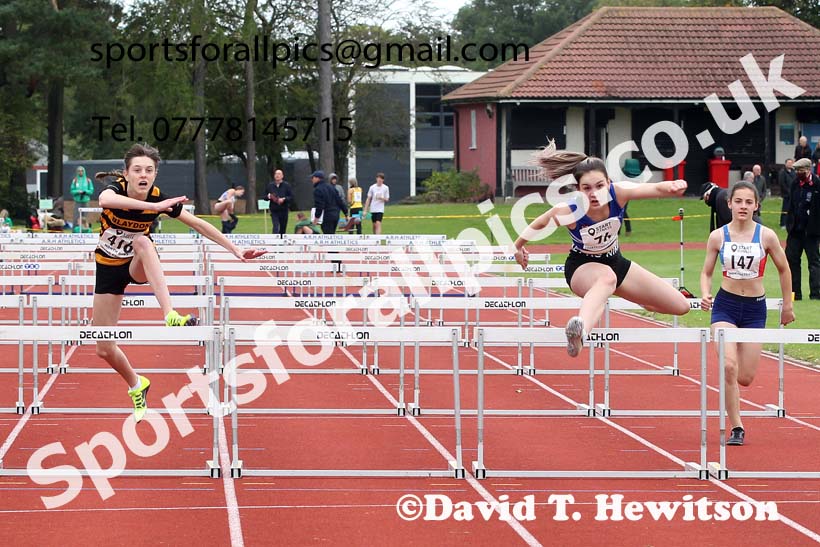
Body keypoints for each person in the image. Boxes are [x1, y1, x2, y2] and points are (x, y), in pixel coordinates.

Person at [93, 143, 265, 422]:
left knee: (142, 241)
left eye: (149, 170)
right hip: (108, 268)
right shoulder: (117, 191)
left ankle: (169, 313)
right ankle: (137, 384)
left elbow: (198, 224)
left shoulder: (160, 197)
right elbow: (104, 201)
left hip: (137, 264)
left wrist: (235, 250)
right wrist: (154, 207)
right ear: (126, 174)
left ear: (155, 174)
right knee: (103, 347)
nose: (143, 175)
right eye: (136, 170)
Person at [513, 142, 690, 357]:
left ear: (608, 183)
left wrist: (673, 185)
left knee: (680, 306)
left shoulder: (620, 193)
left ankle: (632, 298)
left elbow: (653, 188)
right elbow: (539, 223)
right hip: (582, 267)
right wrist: (518, 247)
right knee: (606, 278)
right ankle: (579, 334)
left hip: (615, 262)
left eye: (599, 186)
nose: (594, 194)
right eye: (586, 188)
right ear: (577, 190)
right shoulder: (570, 210)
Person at [700, 181, 795, 446]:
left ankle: (736, 403)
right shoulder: (718, 236)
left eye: (748, 202)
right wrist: (705, 292)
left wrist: (787, 305)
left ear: (756, 205)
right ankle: (737, 427)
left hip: (755, 309)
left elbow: (784, 269)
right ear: (729, 203)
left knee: (745, 377)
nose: (743, 206)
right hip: (725, 306)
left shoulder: (766, 236)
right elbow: (706, 272)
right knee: (729, 367)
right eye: (738, 201)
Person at [785, 157, 820, 300]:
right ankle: (795, 294)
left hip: (811, 232)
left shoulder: (817, 185)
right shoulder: (794, 184)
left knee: (814, 262)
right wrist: (789, 225)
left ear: (808, 170)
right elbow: (791, 206)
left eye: (800, 170)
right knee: (792, 261)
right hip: (795, 231)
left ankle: (816, 294)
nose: (798, 173)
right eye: (796, 170)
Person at [266, 169, 293, 235]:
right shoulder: (270, 185)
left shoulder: (287, 185)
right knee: (276, 226)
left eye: (279, 174)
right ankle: (275, 242)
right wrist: (268, 197)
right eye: (276, 174)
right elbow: (264, 196)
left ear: (282, 176)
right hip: (274, 210)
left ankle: (282, 243)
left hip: (284, 210)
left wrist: (284, 199)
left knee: (283, 228)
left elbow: (291, 197)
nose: (277, 175)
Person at [778, 158, 796, 228]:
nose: (790, 164)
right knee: (785, 209)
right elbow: (782, 183)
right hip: (786, 195)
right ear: (785, 164)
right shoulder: (782, 172)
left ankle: (791, 222)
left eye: (791, 163)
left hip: (794, 194)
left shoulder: (794, 172)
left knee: (793, 209)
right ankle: (783, 223)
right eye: (788, 163)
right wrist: (788, 192)